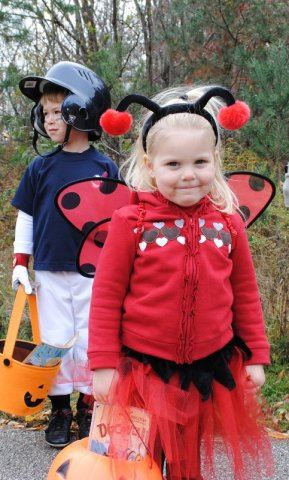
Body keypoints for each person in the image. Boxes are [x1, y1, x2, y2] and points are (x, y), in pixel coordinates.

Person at [88, 85, 273, 480]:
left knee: (188, 462)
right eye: (173, 164)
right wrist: (103, 363)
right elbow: (105, 297)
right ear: (150, 164)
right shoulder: (131, 223)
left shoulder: (227, 224)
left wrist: (256, 354)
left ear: (215, 161)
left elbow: (245, 295)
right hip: (143, 371)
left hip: (204, 370)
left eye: (200, 162)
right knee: (141, 462)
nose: (189, 175)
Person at [11, 61, 119, 448]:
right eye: (46, 112)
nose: (49, 118)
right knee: (55, 340)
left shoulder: (105, 166)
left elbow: (117, 223)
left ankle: (89, 406)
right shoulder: (40, 167)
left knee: (93, 339)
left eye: (58, 111)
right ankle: (59, 409)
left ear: (82, 110)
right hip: (51, 270)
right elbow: (27, 216)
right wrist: (20, 262)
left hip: (94, 272)